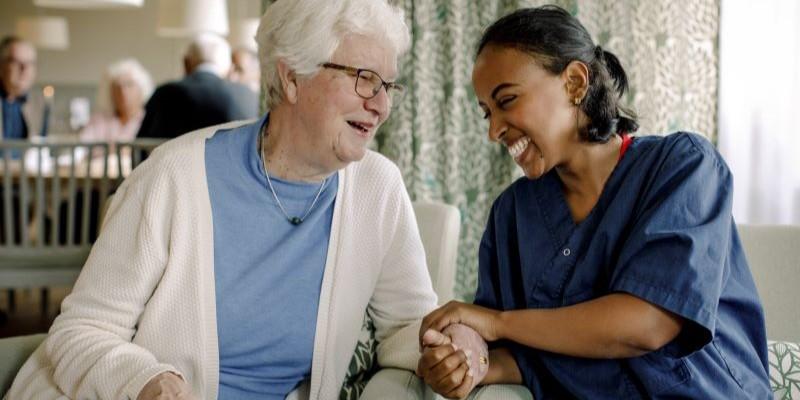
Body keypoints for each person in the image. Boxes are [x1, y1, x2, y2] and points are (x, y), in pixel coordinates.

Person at [7, 0, 441, 399]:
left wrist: (448, 348)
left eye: (387, 85)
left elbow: (405, 327)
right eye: (364, 80)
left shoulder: (377, 187)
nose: (382, 105)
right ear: (292, 78)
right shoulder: (172, 176)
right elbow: (80, 331)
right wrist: (144, 381)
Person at [417, 5, 771, 399]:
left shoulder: (683, 167)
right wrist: (467, 362)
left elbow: (647, 326)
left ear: (574, 82)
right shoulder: (512, 215)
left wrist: (496, 323)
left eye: (507, 100)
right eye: (486, 113)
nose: (494, 130)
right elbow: (525, 356)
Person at [136, 33, 258, 139]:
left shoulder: (164, 93)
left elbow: (140, 146)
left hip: (175, 165)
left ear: (186, 62)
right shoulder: (248, 96)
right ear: (228, 67)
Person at [80, 58, 153, 146]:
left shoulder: (151, 119)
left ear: (141, 88)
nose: (123, 92)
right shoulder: (98, 120)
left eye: (129, 84)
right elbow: (82, 148)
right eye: (117, 87)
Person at [0, 36, 49, 141]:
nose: (24, 69)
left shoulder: (39, 103)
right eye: (16, 62)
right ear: (1, 65)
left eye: (30, 63)